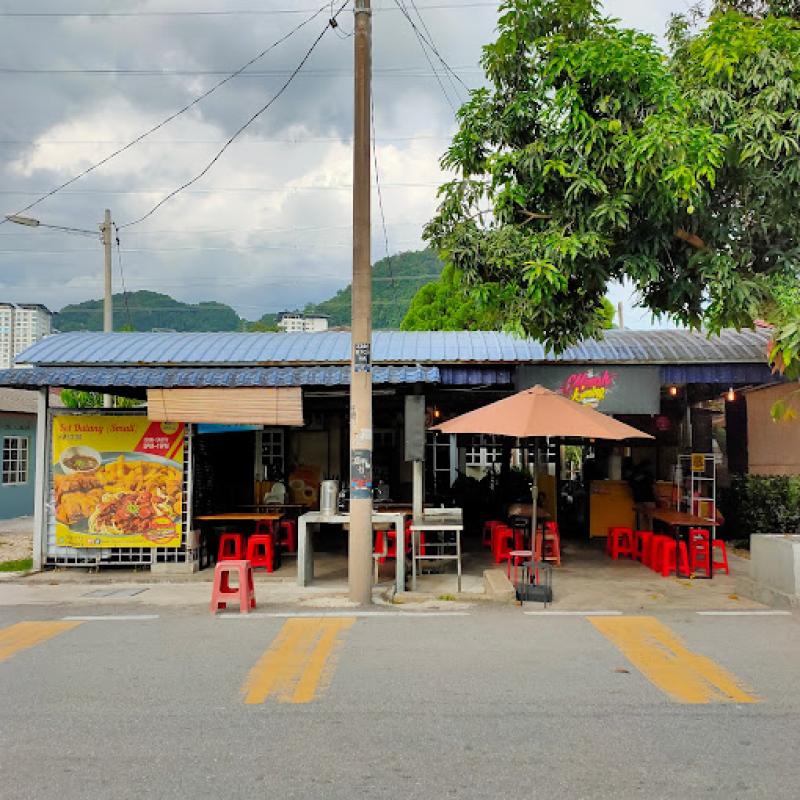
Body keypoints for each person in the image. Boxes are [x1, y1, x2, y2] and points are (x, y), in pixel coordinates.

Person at [628, 459, 656, 530]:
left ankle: (639, 536)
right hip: (649, 499)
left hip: (638, 499)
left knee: (639, 520)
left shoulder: (634, 474)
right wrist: (658, 497)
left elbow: (630, 486)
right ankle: (650, 536)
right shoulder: (649, 474)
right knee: (650, 520)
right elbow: (653, 487)